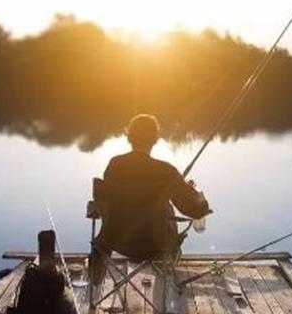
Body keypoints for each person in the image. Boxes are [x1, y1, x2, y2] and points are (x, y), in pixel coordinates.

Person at [89, 114, 210, 283]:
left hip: (116, 241)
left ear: (129, 137)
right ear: (155, 139)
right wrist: (196, 194)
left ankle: (95, 288)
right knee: (167, 209)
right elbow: (194, 210)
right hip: (156, 245)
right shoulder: (167, 172)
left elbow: (106, 202)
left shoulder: (115, 166)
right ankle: (167, 284)